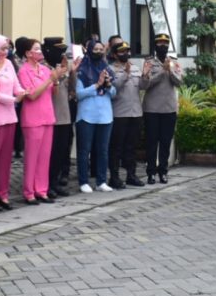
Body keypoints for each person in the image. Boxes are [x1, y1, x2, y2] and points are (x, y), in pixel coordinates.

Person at [17, 37, 66, 204]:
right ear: (28, 53)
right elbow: (31, 95)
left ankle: (41, 189)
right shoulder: (24, 71)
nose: (40, 52)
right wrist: (50, 80)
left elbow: (54, 93)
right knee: (32, 157)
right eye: (36, 49)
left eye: (40, 49)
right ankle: (29, 191)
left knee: (45, 157)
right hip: (32, 118)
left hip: (47, 116)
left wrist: (56, 79)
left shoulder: (45, 69)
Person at [0, 34, 23, 211]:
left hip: (9, 116)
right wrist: (13, 100)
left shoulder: (8, 64)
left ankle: (2, 192)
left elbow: (16, 85)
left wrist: (24, 92)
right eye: (2, 47)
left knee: (5, 159)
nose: (5, 51)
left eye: (7, 48)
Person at [75, 39, 116, 193]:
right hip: (86, 116)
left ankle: (101, 181)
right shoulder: (82, 70)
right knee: (84, 150)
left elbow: (113, 94)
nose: (98, 52)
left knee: (103, 150)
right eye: (95, 49)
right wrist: (96, 85)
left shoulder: (107, 69)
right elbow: (79, 94)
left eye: (101, 49)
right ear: (89, 50)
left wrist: (108, 86)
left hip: (105, 115)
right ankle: (83, 181)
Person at [142, 33, 181, 184]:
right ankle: (151, 172)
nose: (163, 46)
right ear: (155, 45)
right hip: (152, 109)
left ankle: (163, 172)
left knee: (165, 143)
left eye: (165, 43)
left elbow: (179, 82)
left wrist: (170, 71)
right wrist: (162, 71)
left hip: (169, 109)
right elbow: (146, 84)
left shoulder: (174, 62)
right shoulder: (149, 63)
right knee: (151, 142)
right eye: (160, 43)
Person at [108, 39, 147, 188]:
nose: (126, 54)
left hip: (135, 112)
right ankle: (115, 177)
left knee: (132, 146)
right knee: (116, 147)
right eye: (122, 52)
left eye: (127, 51)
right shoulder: (110, 69)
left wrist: (145, 75)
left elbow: (143, 86)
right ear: (115, 54)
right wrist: (125, 74)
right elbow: (113, 88)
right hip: (119, 113)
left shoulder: (135, 67)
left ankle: (132, 175)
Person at [42, 37, 77, 197]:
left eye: (63, 51)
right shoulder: (43, 68)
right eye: (58, 50)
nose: (61, 54)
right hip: (49, 116)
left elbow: (72, 90)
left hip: (64, 115)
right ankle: (46, 184)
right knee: (49, 154)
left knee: (61, 152)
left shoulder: (62, 67)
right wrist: (59, 75)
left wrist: (72, 72)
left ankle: (55, 182)